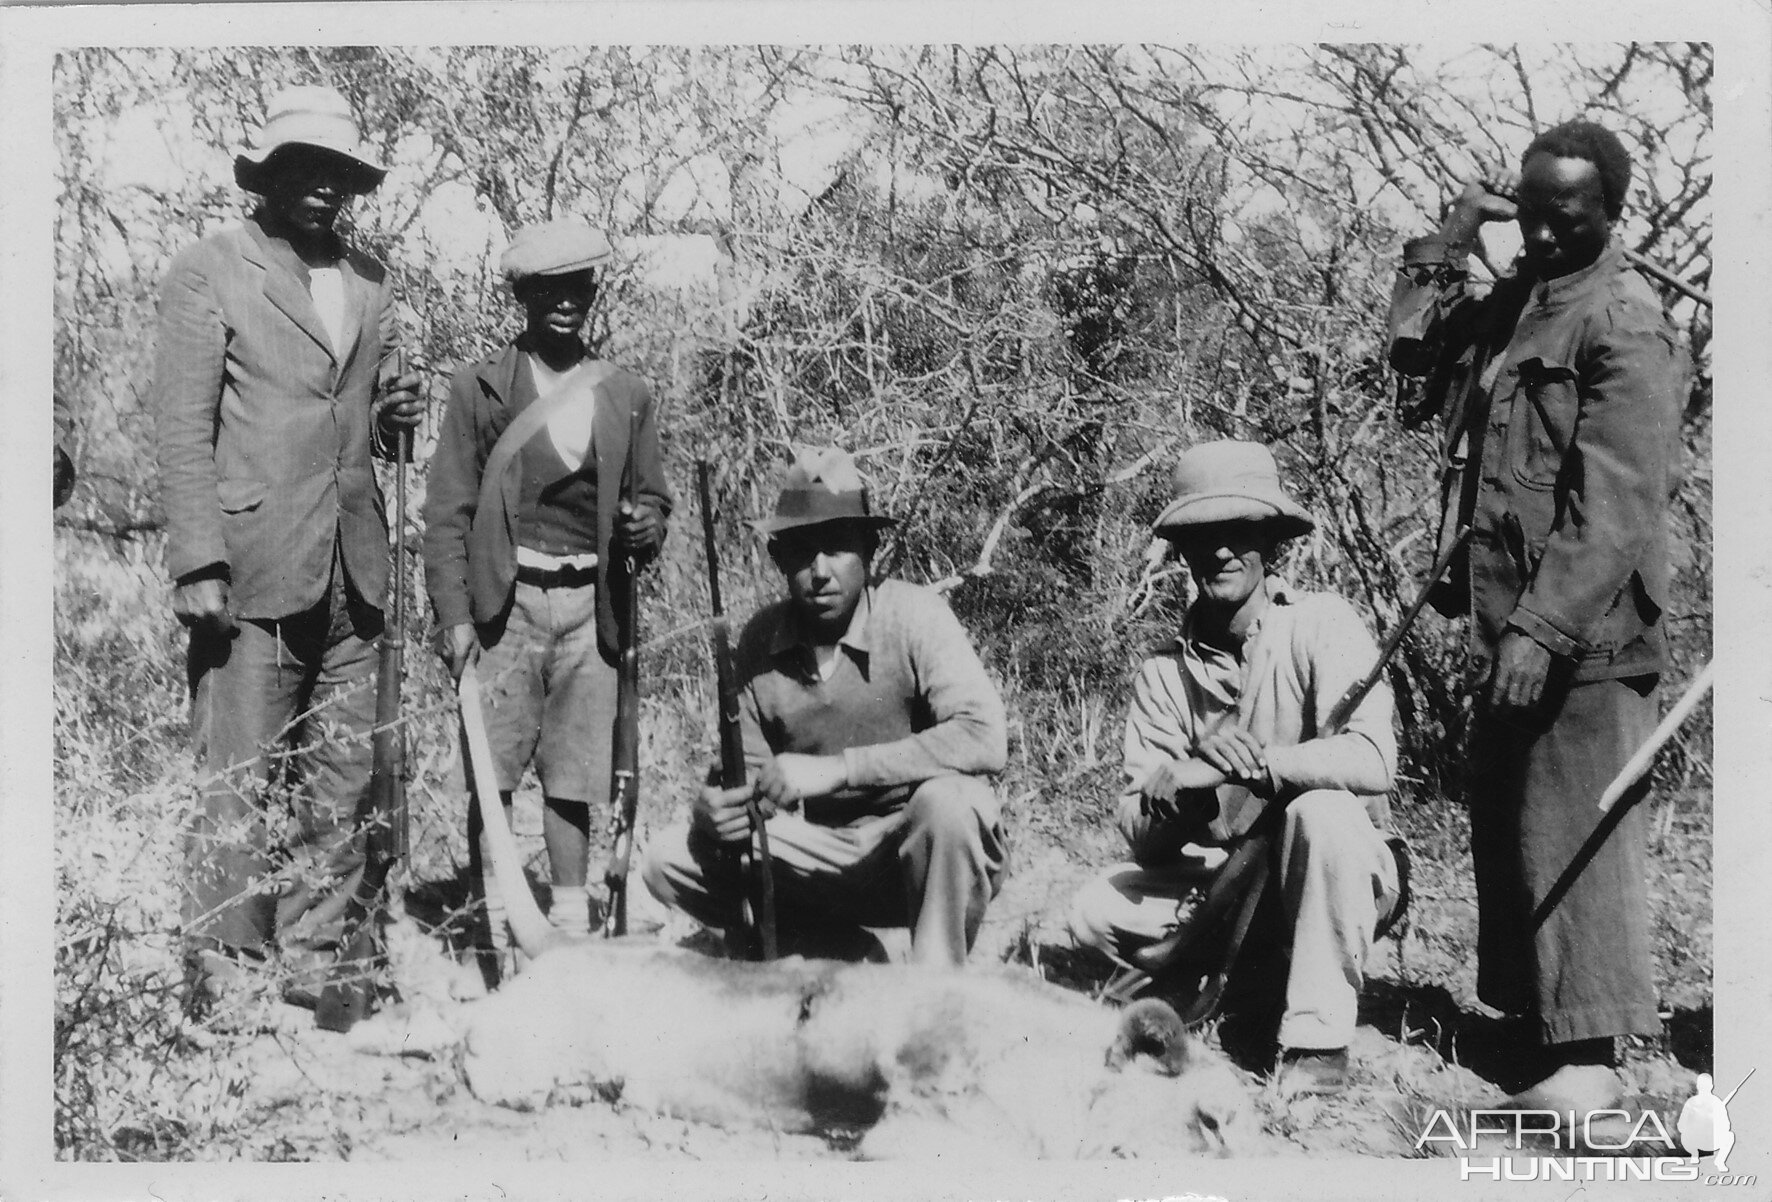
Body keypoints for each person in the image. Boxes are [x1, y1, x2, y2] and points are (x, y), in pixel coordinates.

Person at [1388, 120, 1683, 1110]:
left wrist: (1542, 627)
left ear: (1608, 213)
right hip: (1504, 617)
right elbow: (1409, 371)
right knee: (1511, 816)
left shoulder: (1623, 320)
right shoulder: (1522, 300)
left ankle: (1590, 1057)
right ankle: (1535, 1029)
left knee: (1571, 820)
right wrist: (1447, 236)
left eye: (1568, 219)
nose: (1547, 235)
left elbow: (1616, 497)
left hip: (1584, 629)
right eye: (1532, 215)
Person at [149, 85, 425, 1013]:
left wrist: (392, 419)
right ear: (265, 177)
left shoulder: (372, 280)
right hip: (253, 563)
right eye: (304, 168)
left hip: (358, 566)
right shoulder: (210, 269)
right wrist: (198, 562)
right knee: (239, 776)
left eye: (339, 173)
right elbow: (183, 430)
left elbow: (364, 422)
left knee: (342, 775)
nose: (323, 188)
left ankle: (315, 959)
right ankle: (223, 977)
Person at [1068, 440, 1401, 1095]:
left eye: (1239, 531)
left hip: (1334, 865)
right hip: (1222, 882)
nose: (1220, 549)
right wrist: (1183, 793)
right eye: (1201, 534)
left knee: (1321, 810)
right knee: (1092, 910)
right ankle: (1250, 970)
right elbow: (1142, 831)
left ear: (1270, 540)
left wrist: (1260, 769)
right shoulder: (1164, 673)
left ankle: (1316, 1042)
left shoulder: (1321, 623)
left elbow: (1372, 758)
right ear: (1183, 550)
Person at [642, 446, 1008, 967]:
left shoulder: (915, 616)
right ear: (779, 560)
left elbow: (985, 737)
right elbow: (743, 781)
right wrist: (713, 814)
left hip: (909, 848)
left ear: (870, 548)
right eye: (802, 551)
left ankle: (932, 991)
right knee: (667, 859)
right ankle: (845, 953)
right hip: (817, 852)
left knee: (953, 806)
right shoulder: (761, 639)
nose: (819, 571)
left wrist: (837, 771)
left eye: (837, 548)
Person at [423, 218, 670, 944]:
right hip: (506, 606)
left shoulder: (627, 392)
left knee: (577, 776)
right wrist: (453, 617)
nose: (565, 302)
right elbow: (447, 512)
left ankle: (567, 923)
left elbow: (652, 496)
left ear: (594, 292)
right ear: (524, 297)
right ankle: (486, 927)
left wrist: (647, 527)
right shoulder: (480, 389)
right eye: (548, 290)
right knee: (490, 774)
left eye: (578, 287)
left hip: (594, 609)